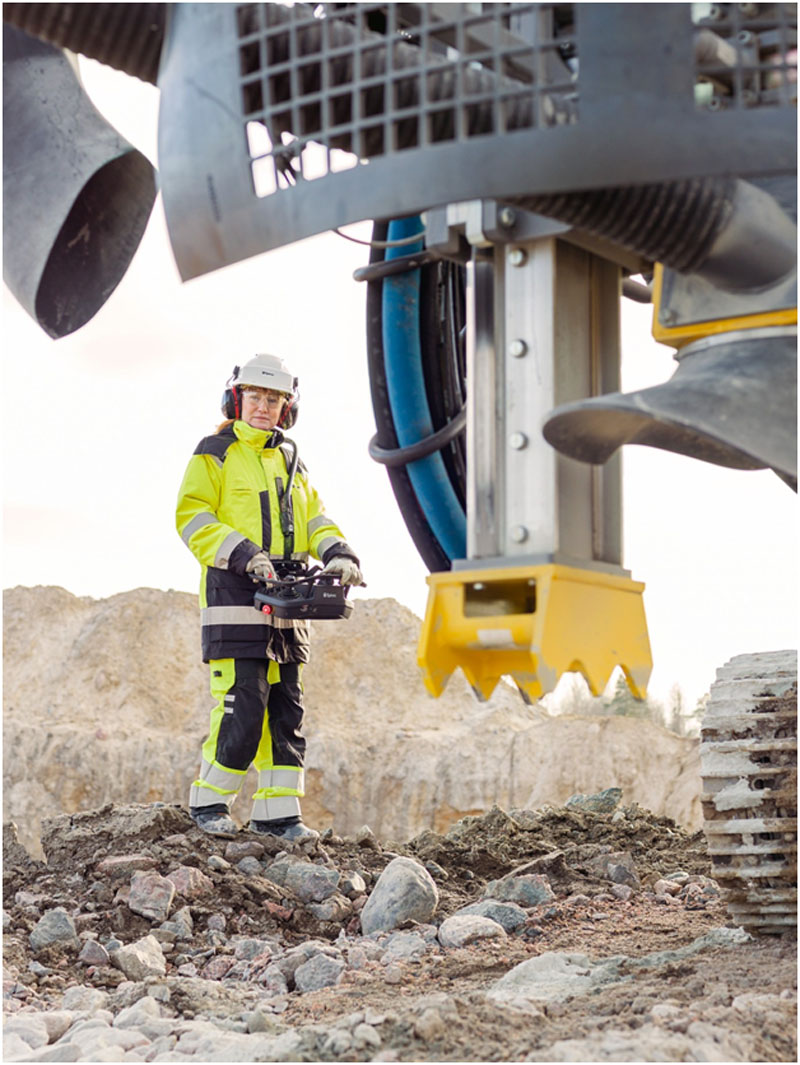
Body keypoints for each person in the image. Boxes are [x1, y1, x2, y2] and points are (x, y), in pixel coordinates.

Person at [176, 353, 363, 840]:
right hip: (235, 592)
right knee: (244, 702)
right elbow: (192, 517)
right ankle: (209, 804)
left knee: (286, 708)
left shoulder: (290, 461)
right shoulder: (213, 452)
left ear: (287, 407)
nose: (264, 406)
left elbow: (314, 519)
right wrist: (243, 554)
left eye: (274, 399)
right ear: (236, 400)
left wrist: (339, 552)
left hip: (287, 598)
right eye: (255, 397)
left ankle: (278, 816)